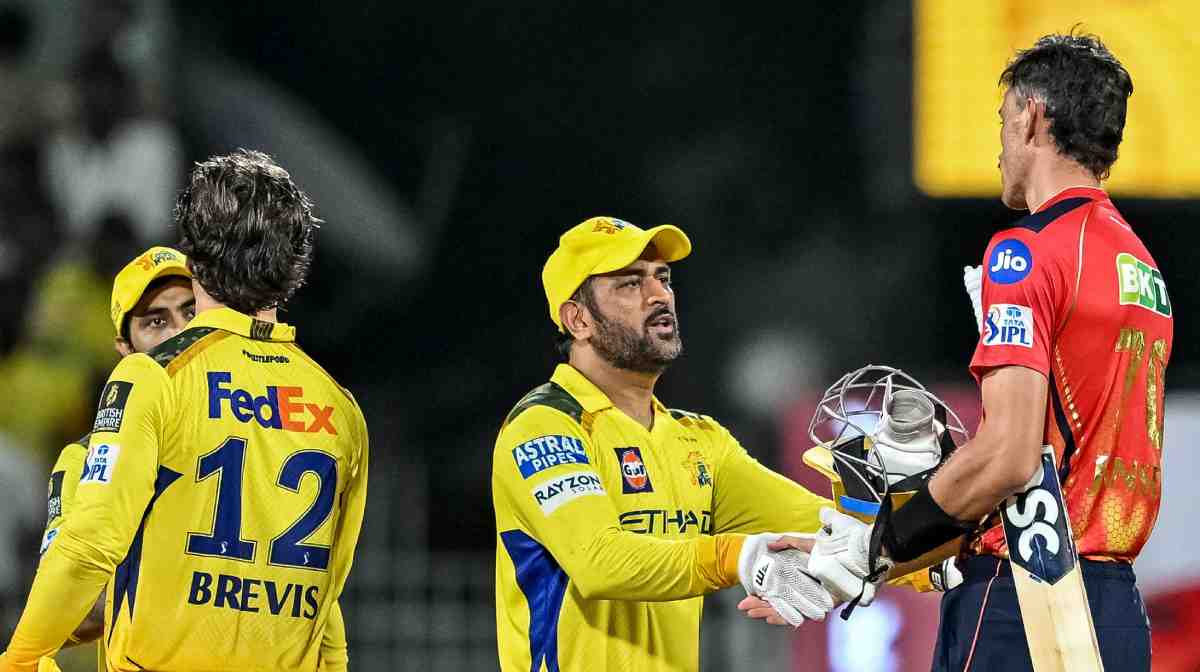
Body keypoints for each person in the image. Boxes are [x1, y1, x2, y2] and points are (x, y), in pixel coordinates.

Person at [786, 32, 1171, 671]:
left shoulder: (1024, 252)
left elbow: (1012, 459)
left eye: (1001, 122)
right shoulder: (1140, 263)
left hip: (1020, 602)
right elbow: (1065, 449)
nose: (998, 148)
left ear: (1032, 118)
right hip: (1116, 613)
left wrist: (881, 544)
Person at [1, 149, 369, 672]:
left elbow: (88, 549)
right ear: (296, 266)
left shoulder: (154, 377)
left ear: (193, 261)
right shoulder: (341, 408)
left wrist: (18, 661)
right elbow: (326, 599)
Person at [492, 216, 835, 672]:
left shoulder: (699, 441)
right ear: (577, 319)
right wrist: (735, 556)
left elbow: (826, 523)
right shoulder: (544, 426)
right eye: (630, 284)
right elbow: (601, 562)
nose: (660, 296)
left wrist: (935, 550)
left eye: (663, 278)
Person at [39, 246, 194, 667]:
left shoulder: (262, 431)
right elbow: (72, 614)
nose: (180, 333)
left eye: (191, 312)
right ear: (126, 349)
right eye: (156, 321)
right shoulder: (84, 458)